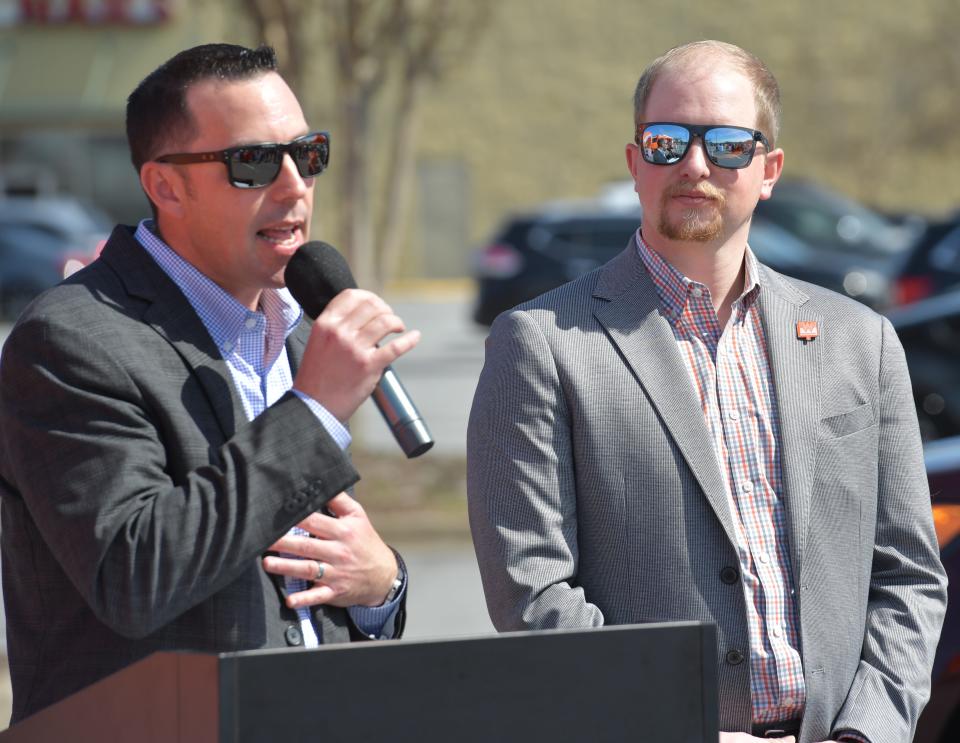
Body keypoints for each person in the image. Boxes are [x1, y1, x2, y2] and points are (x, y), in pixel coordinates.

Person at [466, 40, 947, 743]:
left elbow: (909, 576)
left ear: (769, 169)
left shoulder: (861, 340)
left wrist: (867, 733)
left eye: (726, 144)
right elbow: (533, 596)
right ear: (635, 164)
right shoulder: (538, 343)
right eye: (666, 142)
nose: (694, 165)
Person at [0, 43, 417, 723]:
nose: (293, 186)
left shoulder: (302, 327)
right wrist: (312, 411)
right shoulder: (69, 340)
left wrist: (380, 584)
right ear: (165, 186)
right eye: (252, 163)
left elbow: (305, 589)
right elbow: (135, 575)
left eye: (308, 154)